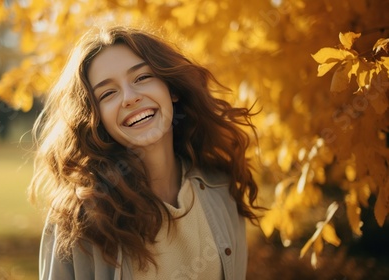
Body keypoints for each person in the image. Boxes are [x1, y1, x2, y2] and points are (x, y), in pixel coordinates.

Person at [29, 25, 261, 280]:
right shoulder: (80, 217)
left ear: (171, 89)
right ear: (95, 119)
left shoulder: (221, 189)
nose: (129, 98)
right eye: (108, 93)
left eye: (141, 78)